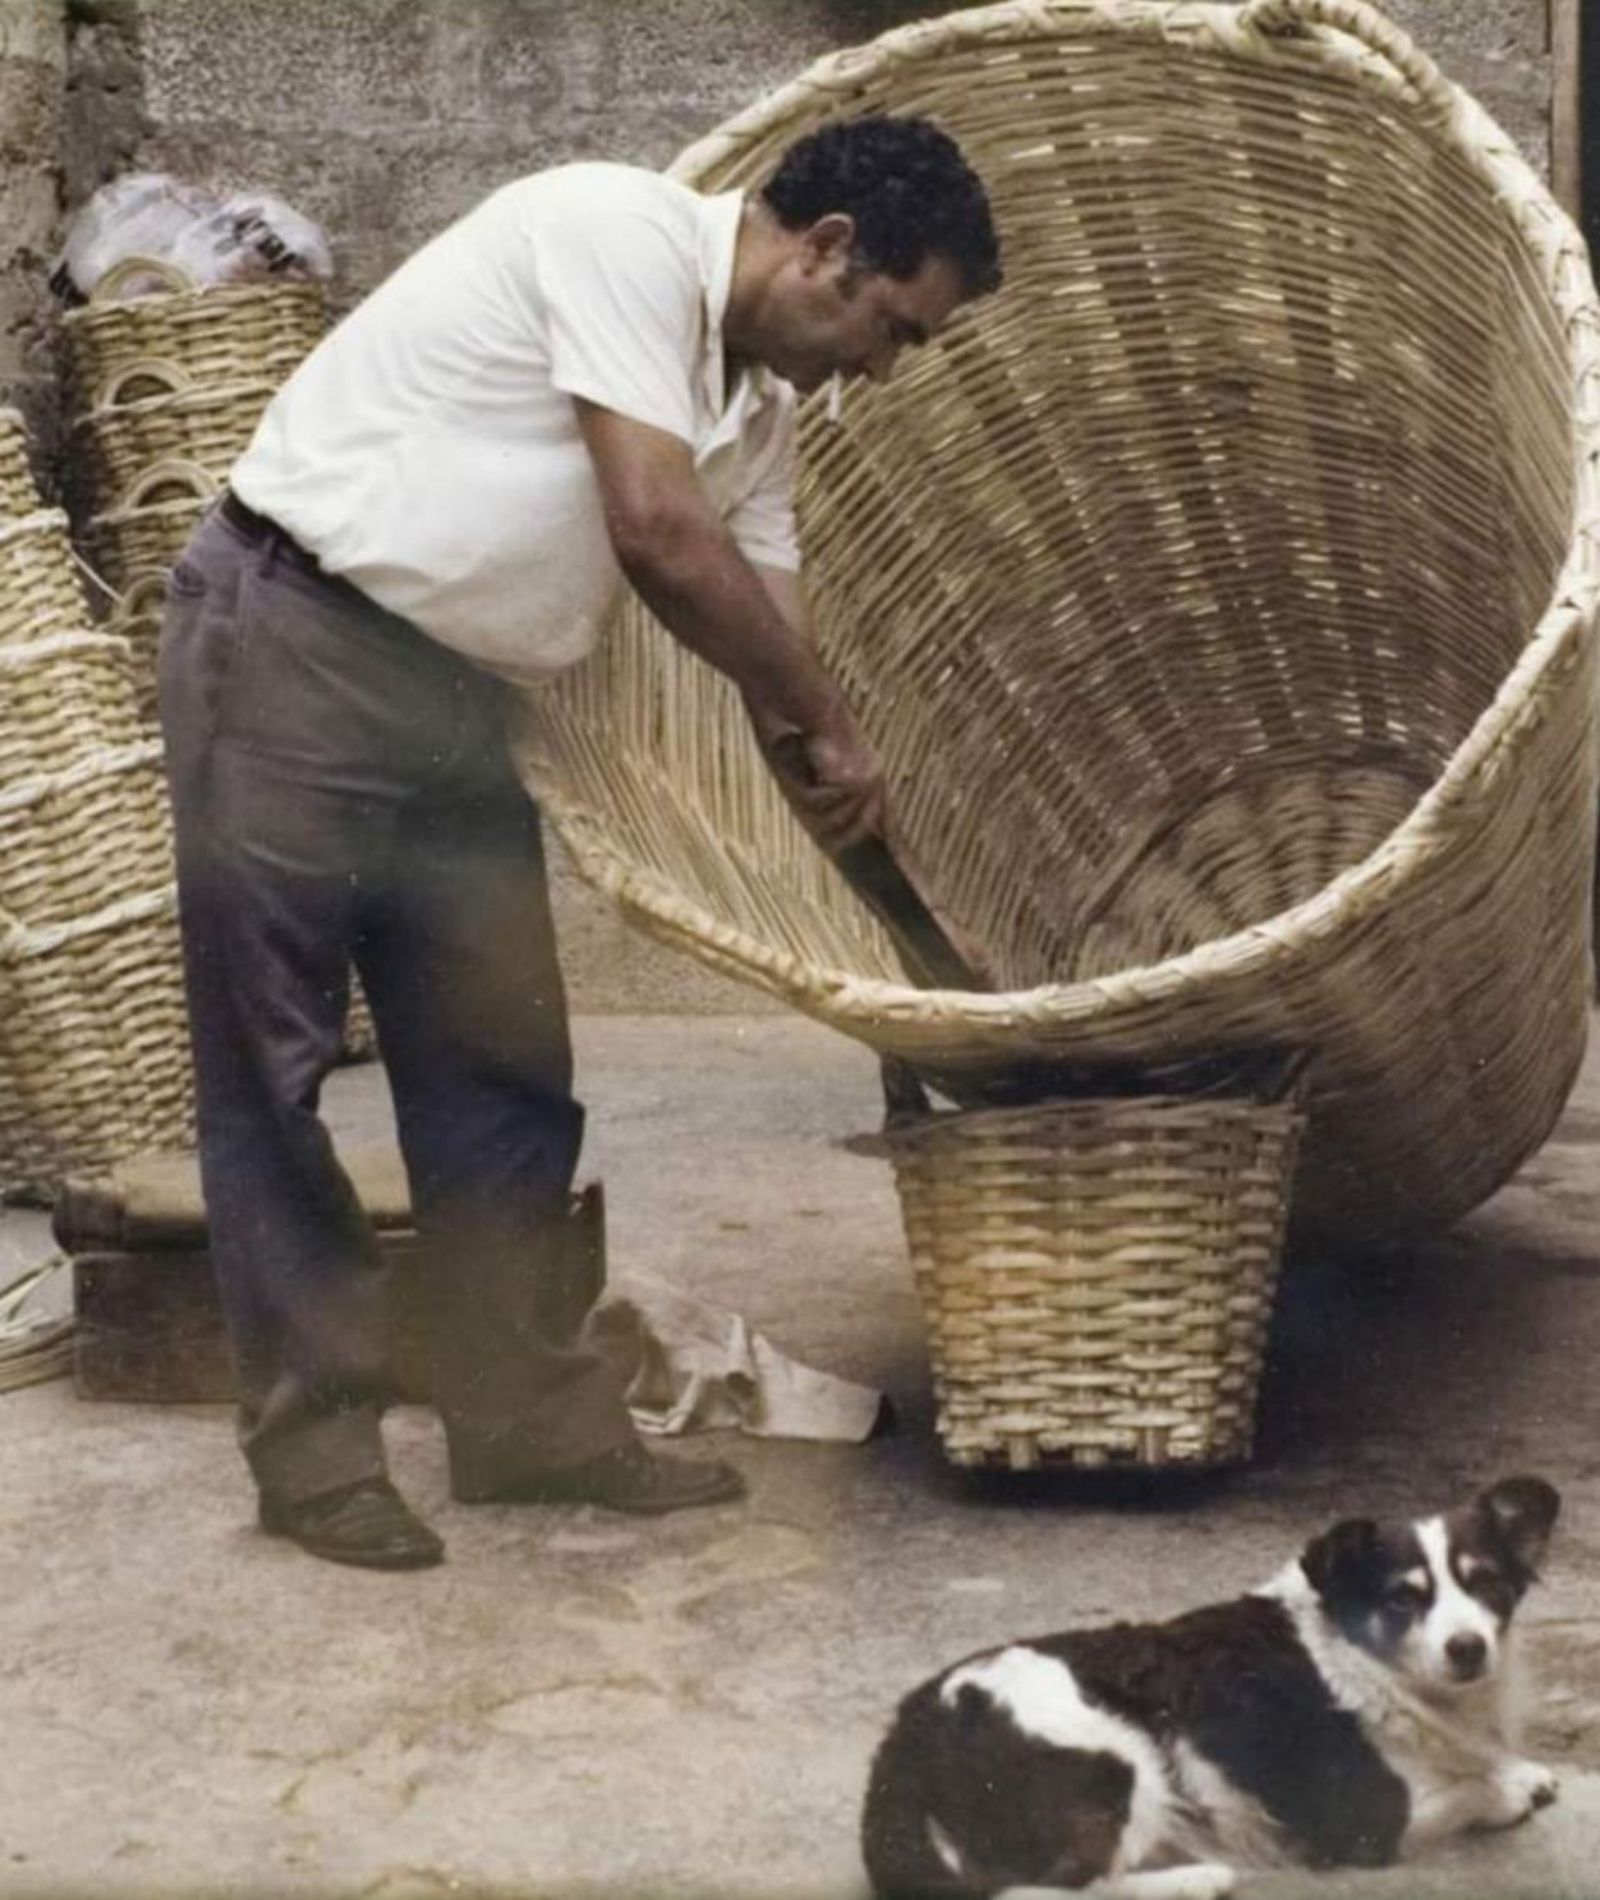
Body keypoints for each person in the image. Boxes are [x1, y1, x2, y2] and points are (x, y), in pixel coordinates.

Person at [158, 114, 1002, 1571]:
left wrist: (864, 835)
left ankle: (524, 1423)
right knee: (272, 1066)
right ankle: (315, 1453)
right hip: (294, 633)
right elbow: (661, 535)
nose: (883, 368)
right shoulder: (614, 229)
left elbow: (778, 658)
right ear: (829, 248)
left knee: (503, 1068)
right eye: (895, 329)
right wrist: (821, 714)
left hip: (459, 695)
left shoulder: (771, 415)